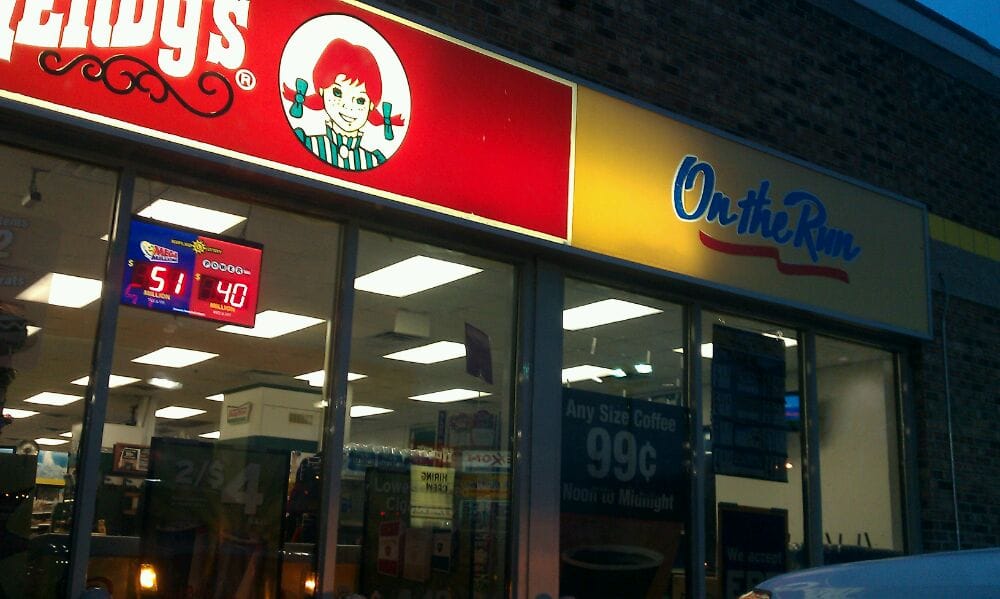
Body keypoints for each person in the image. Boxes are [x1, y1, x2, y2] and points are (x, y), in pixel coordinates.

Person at [284, 38, 405, 171]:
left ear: (371, 105)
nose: (348, 106)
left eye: (360, 100)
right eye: (337, 92)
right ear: (322, 90)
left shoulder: (374, 160)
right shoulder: (307, 143)